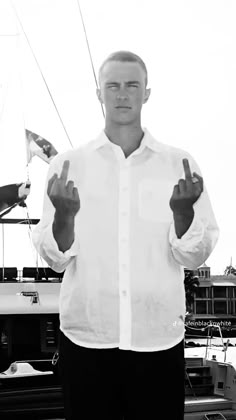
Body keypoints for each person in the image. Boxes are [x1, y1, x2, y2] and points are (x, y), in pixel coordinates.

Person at [33, 51, 219, 420]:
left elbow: (194, 256)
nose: (122, 94)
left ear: (146, 93)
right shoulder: (68, 166)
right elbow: (56, 260)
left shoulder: (179, 165)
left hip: (158, 340)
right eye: (112, 85)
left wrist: (183, 214)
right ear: (99, 94)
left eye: (131, 85)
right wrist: (65, 217)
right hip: (87, 338)